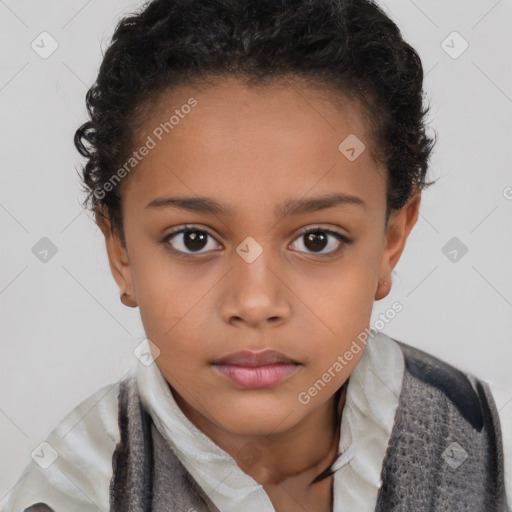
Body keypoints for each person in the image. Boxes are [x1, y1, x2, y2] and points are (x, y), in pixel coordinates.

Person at [3, 0, 511, 511]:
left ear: (390, 240)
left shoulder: (477, 427)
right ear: (121, 254)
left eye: (317, 239)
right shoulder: (76, 492)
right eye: (193, 239)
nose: (255, 301)